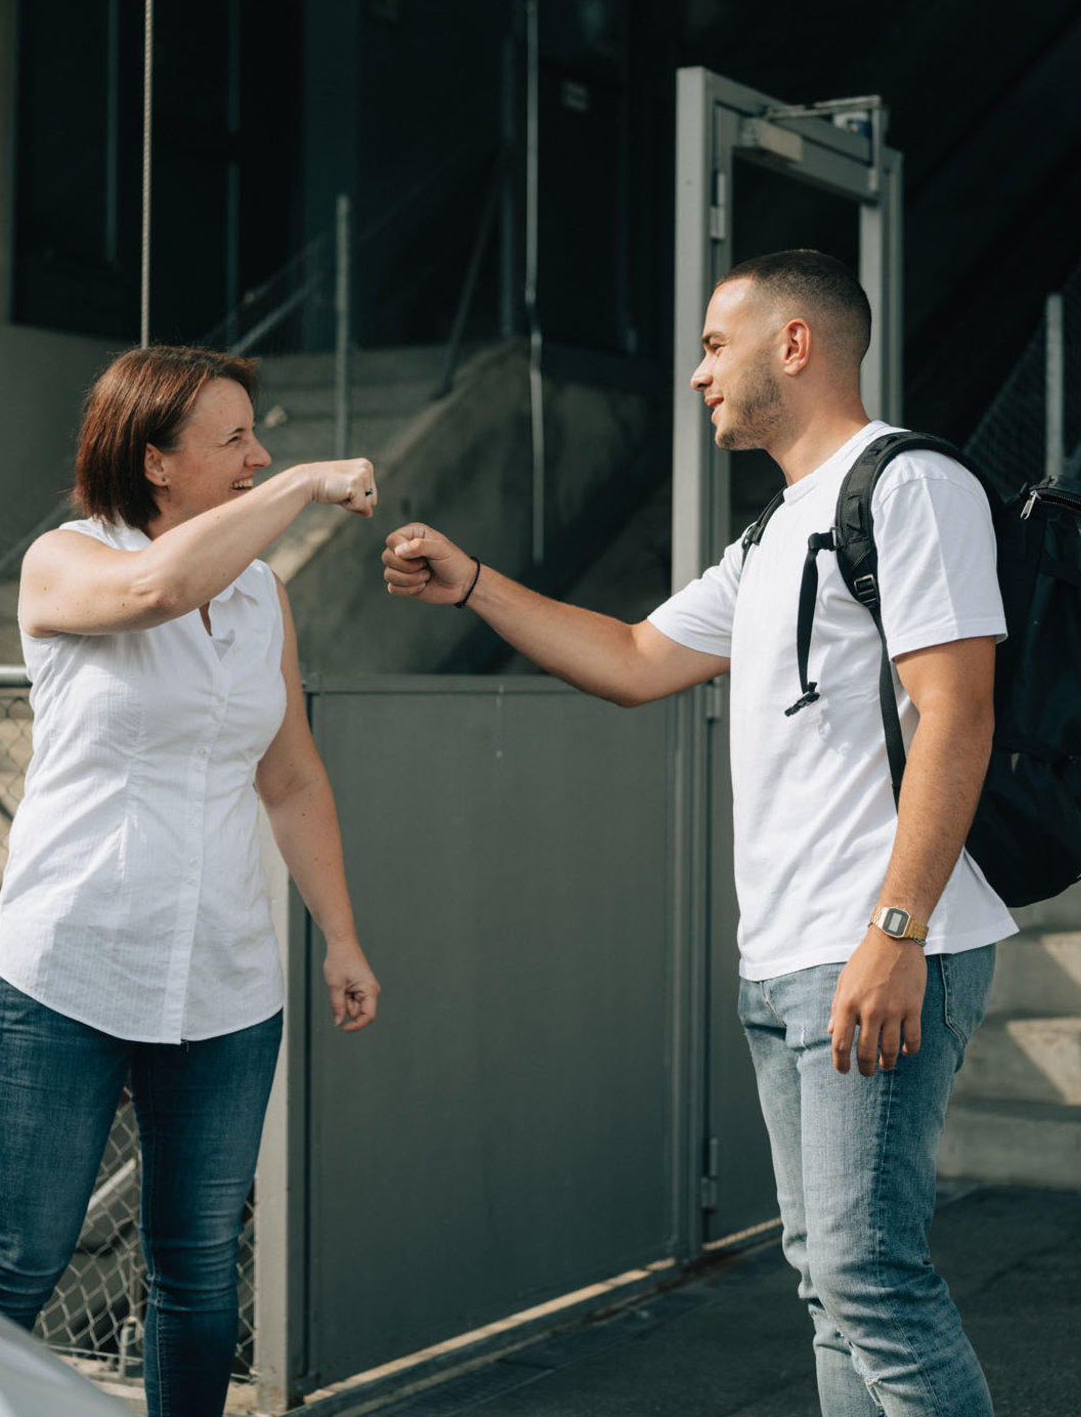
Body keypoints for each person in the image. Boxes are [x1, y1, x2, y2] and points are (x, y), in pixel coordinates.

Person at [382, 250, 1015, 1417]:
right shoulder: (776, 533)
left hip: (867, 938)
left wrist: (895, 926)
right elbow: (631, 660)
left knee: (870, 1274)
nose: (694, 374)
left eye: (715, 346)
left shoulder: (910, 488)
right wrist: (472, 582)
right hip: (783, 957)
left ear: (794, 345)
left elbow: (956, 712)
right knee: (826, 1280)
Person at [0, 345, 384, 1417]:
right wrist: (299, 488)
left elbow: (288, 779)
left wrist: (338, 934)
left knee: (195, 1272)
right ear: (155, 461)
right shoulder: (64, 559)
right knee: (18, 1259)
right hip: (67, 970)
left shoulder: (258, 601)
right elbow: (156, 586)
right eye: (234, 439)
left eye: (261, 438)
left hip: (226, 983)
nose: (259, 455)